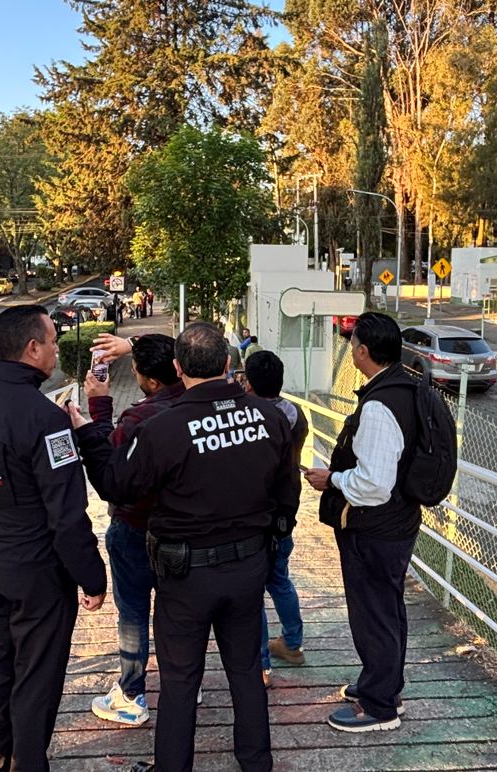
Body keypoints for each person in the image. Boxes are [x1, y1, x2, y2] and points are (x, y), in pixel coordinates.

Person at [80, 323, 298, 772]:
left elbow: (116, 486)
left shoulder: (164, 428)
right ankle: (256, 763)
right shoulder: (271, 416)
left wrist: (90, 430)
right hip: (247, 567)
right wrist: (270, 545)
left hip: (185, 576)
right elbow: (287, 496)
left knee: (180, 681)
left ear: (179, 368)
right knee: (244, 674)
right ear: (227, 364)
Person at [0, 305, 108, 772]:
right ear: (33, 348)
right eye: (53, 340)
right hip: (36, 568)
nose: (57, 348)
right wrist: (92, 578)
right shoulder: (45, 421)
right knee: (37, 674)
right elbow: (66, 515)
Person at [303, 311, 420, 733]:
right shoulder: (407, 387)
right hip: (399, 522)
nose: (350, 350)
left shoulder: (379, 406)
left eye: (352, 345)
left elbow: (374, 484)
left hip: (375, 527)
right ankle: (383, 685)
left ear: (364, 351)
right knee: (387, 610)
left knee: (374, 614)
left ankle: (379, 708)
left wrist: (329, 478)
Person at [72, 334, 186, 726]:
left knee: (134, 613)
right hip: (183, 529)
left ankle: (132, 694)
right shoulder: (195, 404)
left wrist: (98, 408)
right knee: (176, 610)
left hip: (135, 527)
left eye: (135, 370)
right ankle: (182, 682)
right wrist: (132, 345)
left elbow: (112, 471)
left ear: (150, 382)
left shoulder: (138, 418)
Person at [241, 351, 308, 680]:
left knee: (253, 590)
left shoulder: (249, 418)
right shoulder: (296, 414)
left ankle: (262, 664)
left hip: (254, 517)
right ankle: (293, 644)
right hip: (286, 512)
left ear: (249, 382)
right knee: (279, 580)